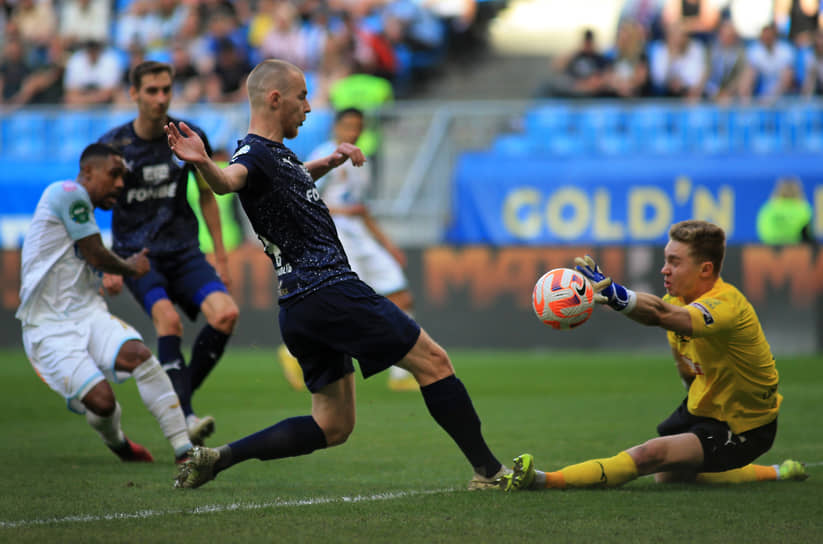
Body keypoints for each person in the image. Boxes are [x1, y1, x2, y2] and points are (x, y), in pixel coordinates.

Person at [165, 59, 508, 490]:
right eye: (302, 96)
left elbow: (287, 181)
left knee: (333, 426)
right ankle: (490, 473)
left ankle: (220, 458)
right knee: (434, 362)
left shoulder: (276, 156)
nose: (309, 106)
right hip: (329, 289)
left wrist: (329, 162)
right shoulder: (251, 154)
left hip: (298, 304)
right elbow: (227, 181)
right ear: (275, 99)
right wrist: (202, 163)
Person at [504, 220, 807, 492]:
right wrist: (692, 395)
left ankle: (543, 480)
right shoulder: (675, 300)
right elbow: (682, 356)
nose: (664, 269)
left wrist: (618, 296)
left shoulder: (727, 305)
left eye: (675, 262)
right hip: (705, 405)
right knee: (670, 476)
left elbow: (663, 315)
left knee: (650, 455)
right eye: (665, 260)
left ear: (705, 269)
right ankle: (779, 472)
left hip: (745, 424)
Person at [16, 143, 193, 463]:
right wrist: (127, 268)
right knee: (103, 402)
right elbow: (95, 251)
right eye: (114, 175)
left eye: (123, 177)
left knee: (140, 355)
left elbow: (82, 256)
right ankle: (120, 445)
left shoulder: (81, 211)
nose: (121, 184)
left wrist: (103, 274)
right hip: (47, 327)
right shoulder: (68, 192)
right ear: (87, 172)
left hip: (87, 312)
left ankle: (185, 449)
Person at [98, 60, 240, 446]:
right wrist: (106, 263)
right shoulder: (114, 147)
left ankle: (179, 400)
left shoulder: (187, 136)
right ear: (134, 94)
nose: (161, 98)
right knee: (169, 323)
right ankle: (185, 416)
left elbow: (209, 196)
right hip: (137, 257)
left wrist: (222, 258)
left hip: (184, 250)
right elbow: (94, 202)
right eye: (151, 91)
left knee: (226, 314)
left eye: (166, 90)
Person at [287, 107, 417, 392]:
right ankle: (295, 354)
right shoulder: (325, 156)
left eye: (358, 126)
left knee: (402, 295)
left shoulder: (361, 161)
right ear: (335, 127)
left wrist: (388, 244)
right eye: (347, 125)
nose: (353, 131)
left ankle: (400, 375)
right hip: (335, 234)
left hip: (361, 236)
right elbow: (304, 201)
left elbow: (363, 209)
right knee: (343, 304)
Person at [756, 177, 815, 245]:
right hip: (797, 251)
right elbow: (809, 235)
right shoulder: (804, 209)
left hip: (772, 251)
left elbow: (763, 232)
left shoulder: (768, 209)